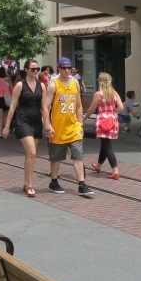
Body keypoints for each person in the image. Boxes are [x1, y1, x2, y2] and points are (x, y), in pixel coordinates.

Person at [42, 58, 94, 196]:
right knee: (56, 157)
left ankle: (82, 184)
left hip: (73, 127)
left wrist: (80, 122)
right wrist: (47, 125)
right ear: (58, 69)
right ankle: (54, 181)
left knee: (78, 155)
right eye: (64, 68)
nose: (66, 70)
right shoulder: (54, 85)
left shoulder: (75, 84)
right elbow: (46, 107)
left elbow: (78, 105)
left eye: (69, 68)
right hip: (58, 127)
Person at [2, 59, 45, 197]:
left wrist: (49, 124)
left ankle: (26, 183)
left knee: (30, 154)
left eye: (37, 69)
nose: (35, 71)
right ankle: (30, 185)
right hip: (23, 120)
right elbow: (13, 106)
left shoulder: (41, 86)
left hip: (37, 121)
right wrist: (7, 126)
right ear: (26, 70)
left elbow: (44, 107)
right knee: (32, 152)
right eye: (32, 69)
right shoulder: (20, 85)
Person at [85, 72, 123, 180]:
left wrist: (84, 119)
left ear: (100, 82)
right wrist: (111, 111)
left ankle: (115, 171)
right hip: (112, 120)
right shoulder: (114, 93)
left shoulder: (98, 94)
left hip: (102, 121)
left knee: (108, 146)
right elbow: (121, 107)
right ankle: (98, 165)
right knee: (105, 144)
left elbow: (92, 109)